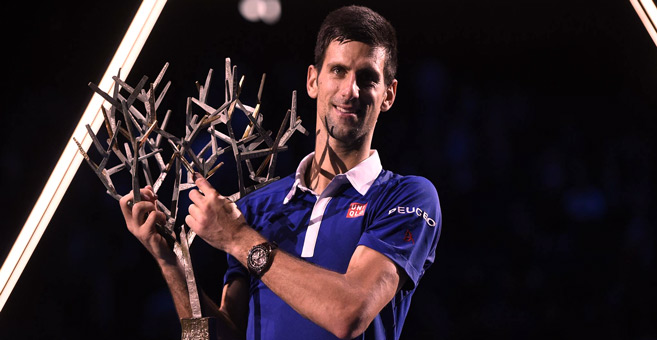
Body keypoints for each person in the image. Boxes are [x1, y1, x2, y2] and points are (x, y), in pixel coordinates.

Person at [120, 5, 441, 340]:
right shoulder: (257, 208)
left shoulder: (406, 197)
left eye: (367, 78)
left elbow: (350, 313)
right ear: (313, 80)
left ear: (388, 94)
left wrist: (238, 238)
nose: (350, 91)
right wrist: (174, 264)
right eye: (338, 71)